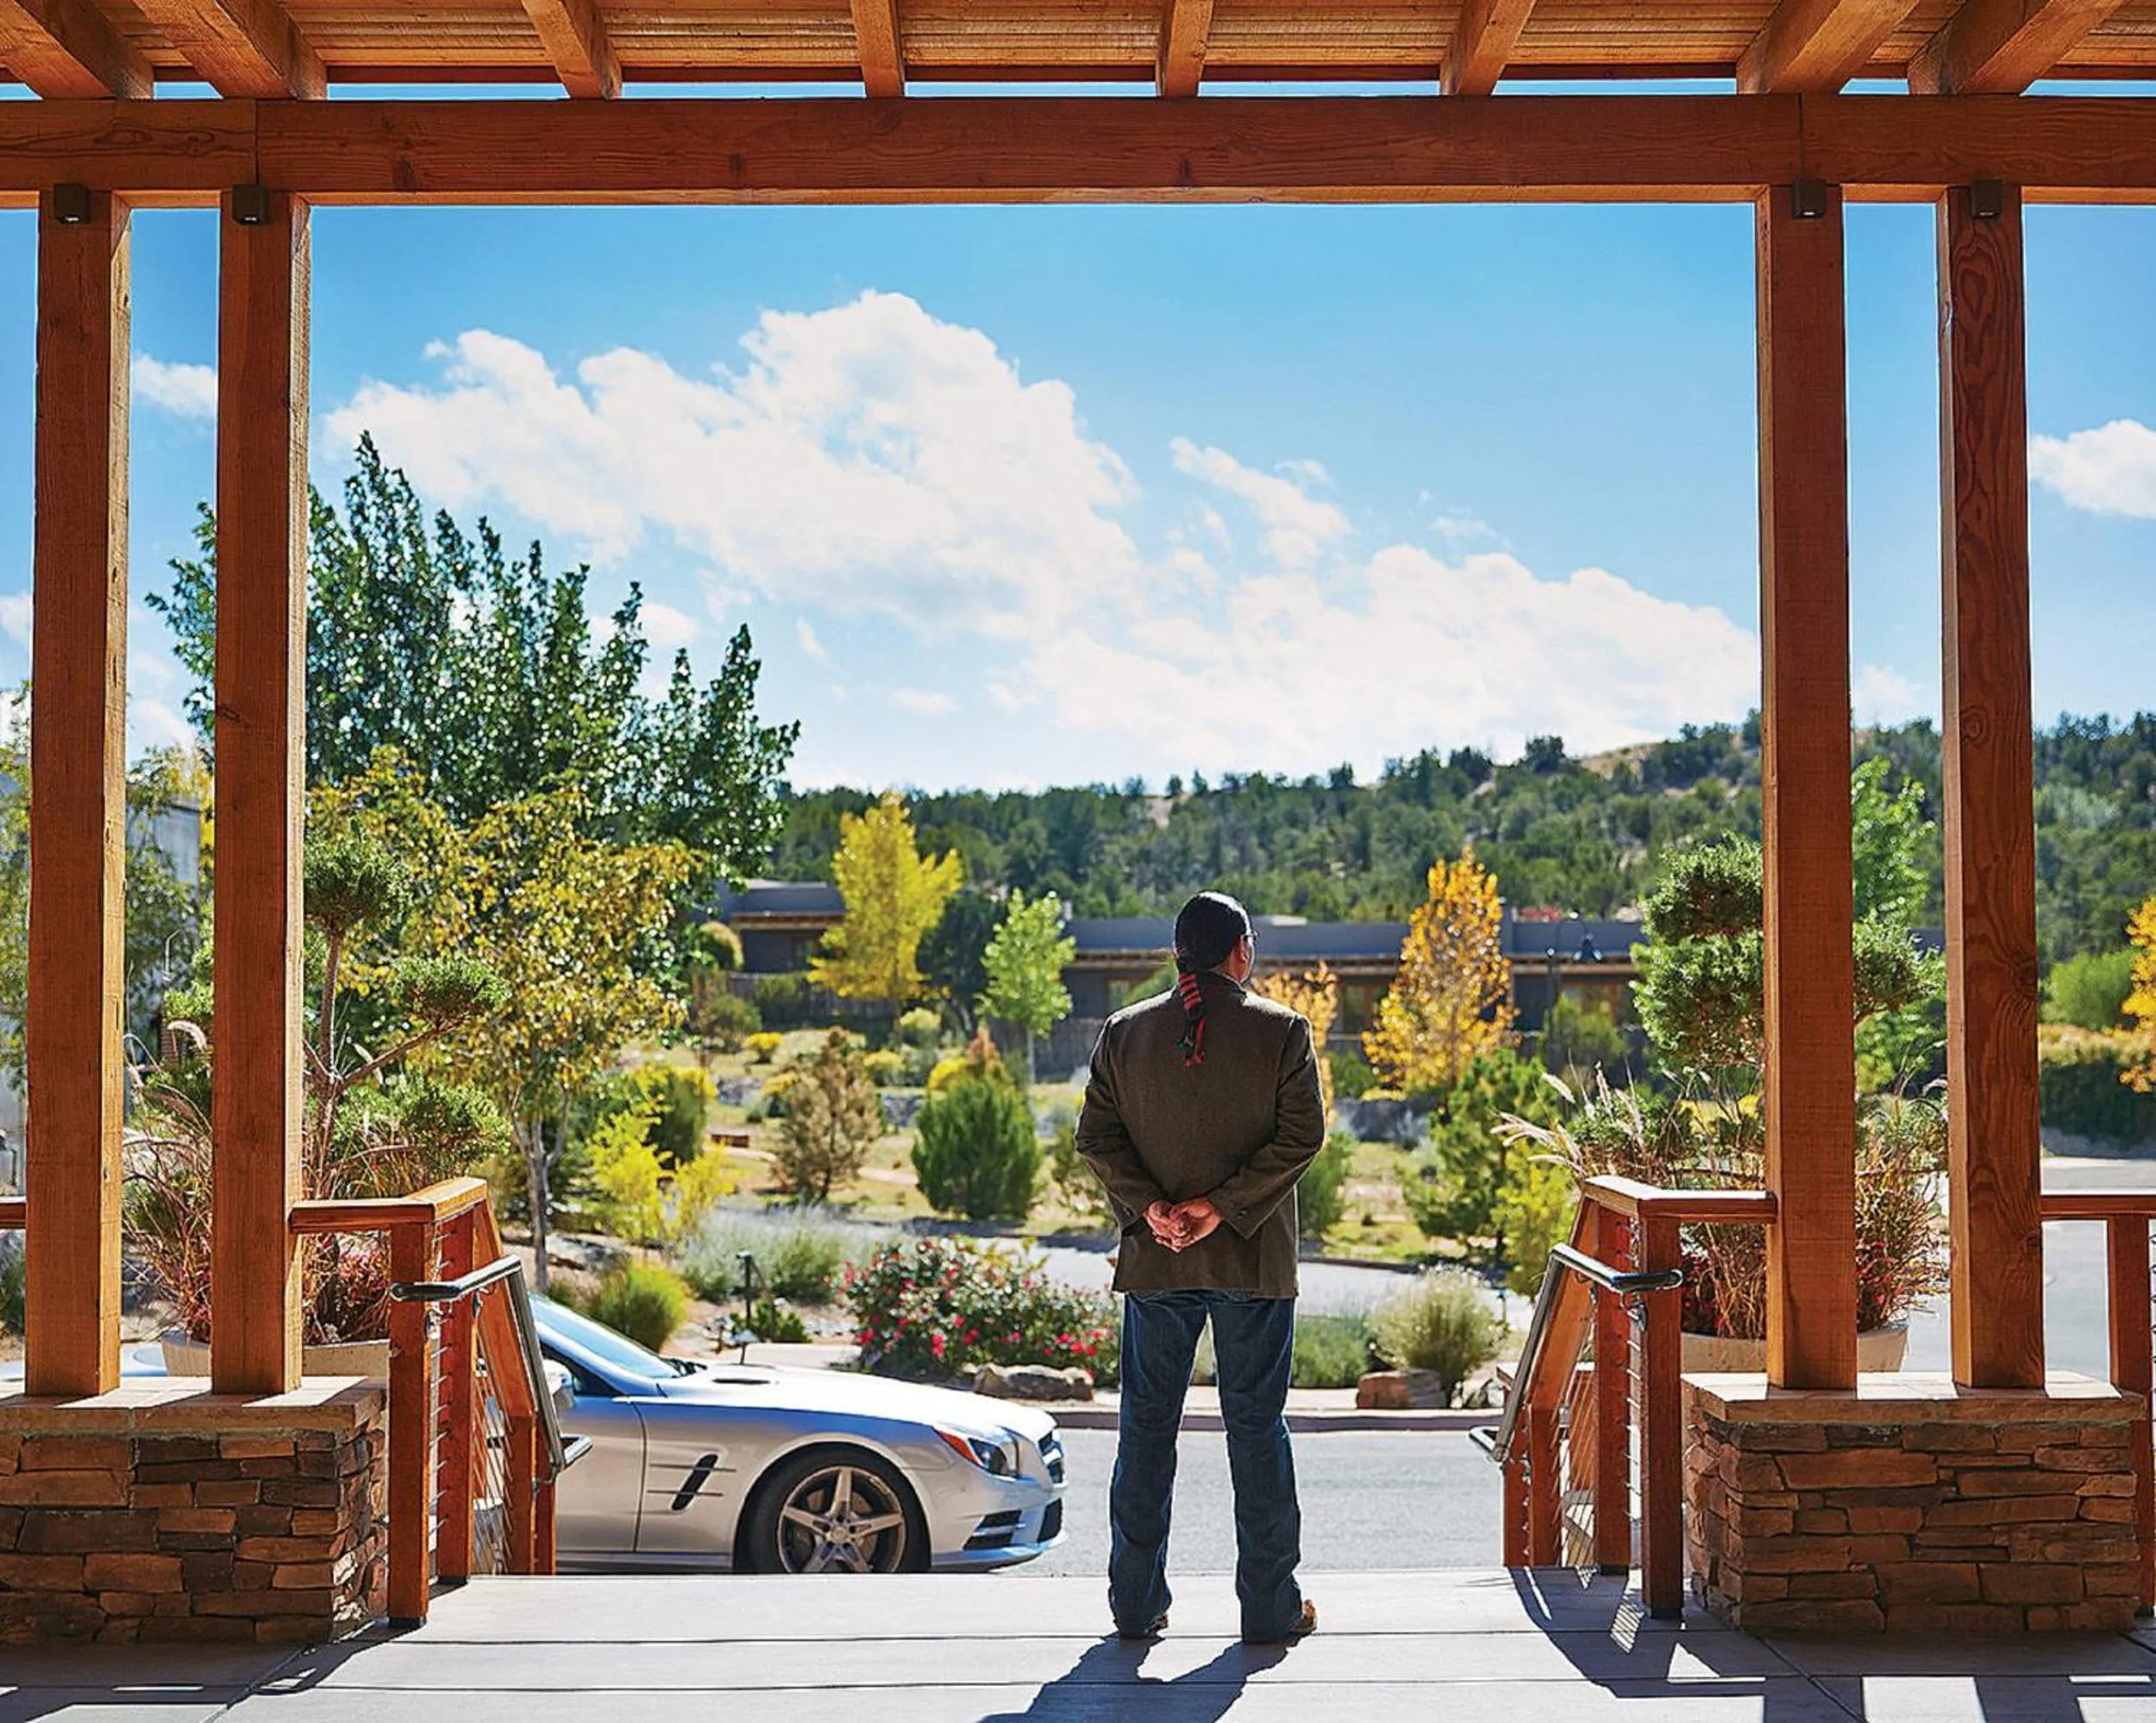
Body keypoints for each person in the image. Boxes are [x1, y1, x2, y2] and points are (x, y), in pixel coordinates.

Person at [1074, 889, 1326, 1646]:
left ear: (1180, 951)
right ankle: (1269, 1610)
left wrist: (1152, 1209)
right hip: (1252, 1264)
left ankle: (1134, 1605)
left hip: (1158, 1262)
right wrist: (1221, 1208)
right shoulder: (1282, 1031)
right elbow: (1302, 1137)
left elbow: (1095, 1137)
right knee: (1257, 1432)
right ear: (1240, 951)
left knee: (1145, 1432)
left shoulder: (1125, 1032)